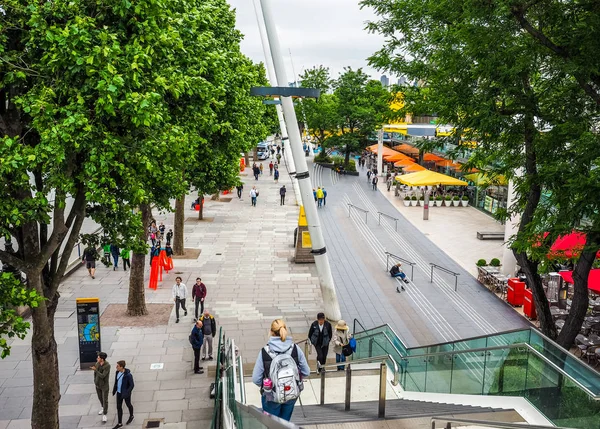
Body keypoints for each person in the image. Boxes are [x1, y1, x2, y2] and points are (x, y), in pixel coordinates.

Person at [252, 319, 310, 421]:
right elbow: (306, 371)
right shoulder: (295, 348)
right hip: (291, 393)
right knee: (284, 422)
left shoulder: (264, 352)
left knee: (271, 423)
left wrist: (267, 385)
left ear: (271, 332)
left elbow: (256, 379)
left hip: (271, 396)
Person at [112, 360, 134, 428]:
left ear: (122, 367)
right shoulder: (117, 372)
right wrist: (114, 390)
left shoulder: (128, 375)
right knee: (119, 407)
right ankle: (119, 423)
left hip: (125, 393)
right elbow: (116, 382)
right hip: (119, 393)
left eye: (118, 366)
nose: (116, 367)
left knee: (128, 404)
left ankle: (131, 416)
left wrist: (127, 392)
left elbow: (132, 385)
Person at [92, 351, 111, 423]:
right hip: (97, 385)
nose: (97, 358)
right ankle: (103, 408)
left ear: (102, 359)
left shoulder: (107, 366)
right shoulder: (97, 363)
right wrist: (95, 381)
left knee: (105, 399)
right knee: (100, 398)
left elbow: (103, 375)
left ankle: (105, 414)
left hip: (104, 386)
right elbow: (95, 374)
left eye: (98, 357)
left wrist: (96, 370)